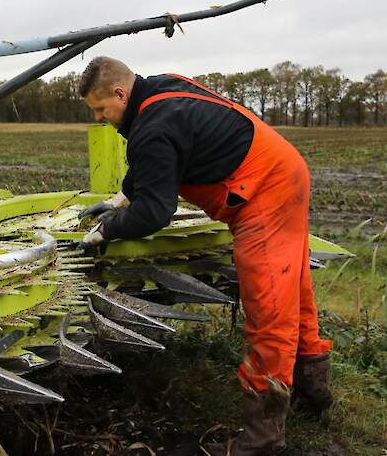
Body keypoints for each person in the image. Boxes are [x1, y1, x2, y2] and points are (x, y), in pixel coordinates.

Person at [76, 56, 334, 455]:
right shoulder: (159, 91)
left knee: (268, 309)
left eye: (100, 108)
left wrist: (108, 229)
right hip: (283, 169)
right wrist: (121, 198)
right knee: (293, 291)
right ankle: (313, 393)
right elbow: (157, 158)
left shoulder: (153, 125)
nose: (98, 117)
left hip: (263, 192)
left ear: (120, 93)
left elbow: (155, 212)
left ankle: (261, 439)